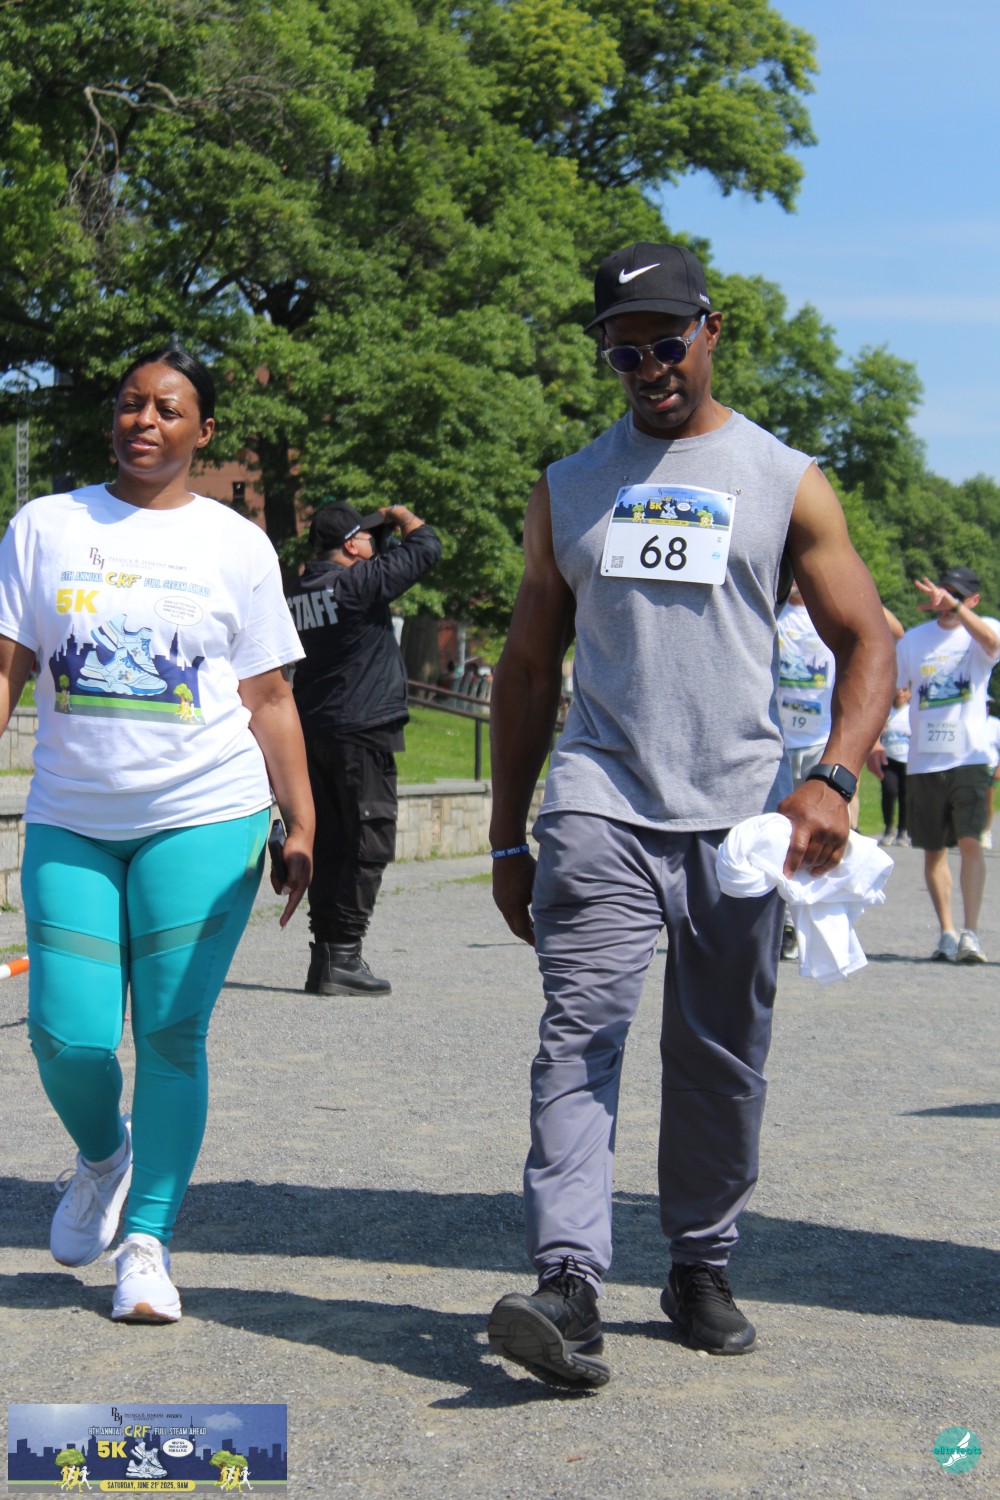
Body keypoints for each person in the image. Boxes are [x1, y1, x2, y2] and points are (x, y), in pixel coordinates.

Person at [486, 241, 896, 1388]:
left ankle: (700, 1264)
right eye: (624, 352)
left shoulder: (784, 477)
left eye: (665, 343)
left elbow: (869, 639)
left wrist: (834, 776)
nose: (648, 368)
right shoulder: (569, 485)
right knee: (578, 1034)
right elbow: (528, 667)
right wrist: (509, 831)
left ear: (710, 331)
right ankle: (567, 1281)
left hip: (740, 817)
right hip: (599, 799)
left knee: (719, 1054)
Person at [0, 346, 314, 1323]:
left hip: (206, 813)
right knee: (66, 1036)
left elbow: (268, 694)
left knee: (172, 1032)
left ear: (203, 431)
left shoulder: (237, 544)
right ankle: (105, 1156)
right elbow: (6, 666)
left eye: (168, 409)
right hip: (73, 818)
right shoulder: (45, 525)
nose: (145, 421)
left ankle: (148, 1241)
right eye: (131, 404)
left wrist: (303, 819)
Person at [288, 498, 441, 995]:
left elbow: (386, 563)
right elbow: (427, 547)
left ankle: (325, 958)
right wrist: (402, 517)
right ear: (352, 546)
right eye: (367, 537)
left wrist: (381, 536)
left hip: (313, 730)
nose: (374, 543)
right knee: (368, 842)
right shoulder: (357, 586)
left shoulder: (299, 591)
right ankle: (344, 956)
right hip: (362, 729)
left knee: (330, 843)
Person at [890, 568, 1000, 962]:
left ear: (973, 600)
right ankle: (947, 933)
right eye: (945, 592)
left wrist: (957, 609)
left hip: (970, 757)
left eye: (958, 595)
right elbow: (894, 688)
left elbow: (992, 643)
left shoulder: (984, 630)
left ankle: (971, 933)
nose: (948, 600)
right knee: (933, 849)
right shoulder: (915, 640)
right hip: (924, 760)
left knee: (970, 843)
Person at [872, 686, 912, 847]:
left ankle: (903, 831)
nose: (900, 692)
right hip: (888, 759)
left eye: (905, 689)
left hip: (908, 760)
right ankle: (889, 828)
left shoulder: (912, 711)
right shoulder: (885, 711)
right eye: (898, 688)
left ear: (909, 693)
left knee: (905, 795)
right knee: (889, 790)